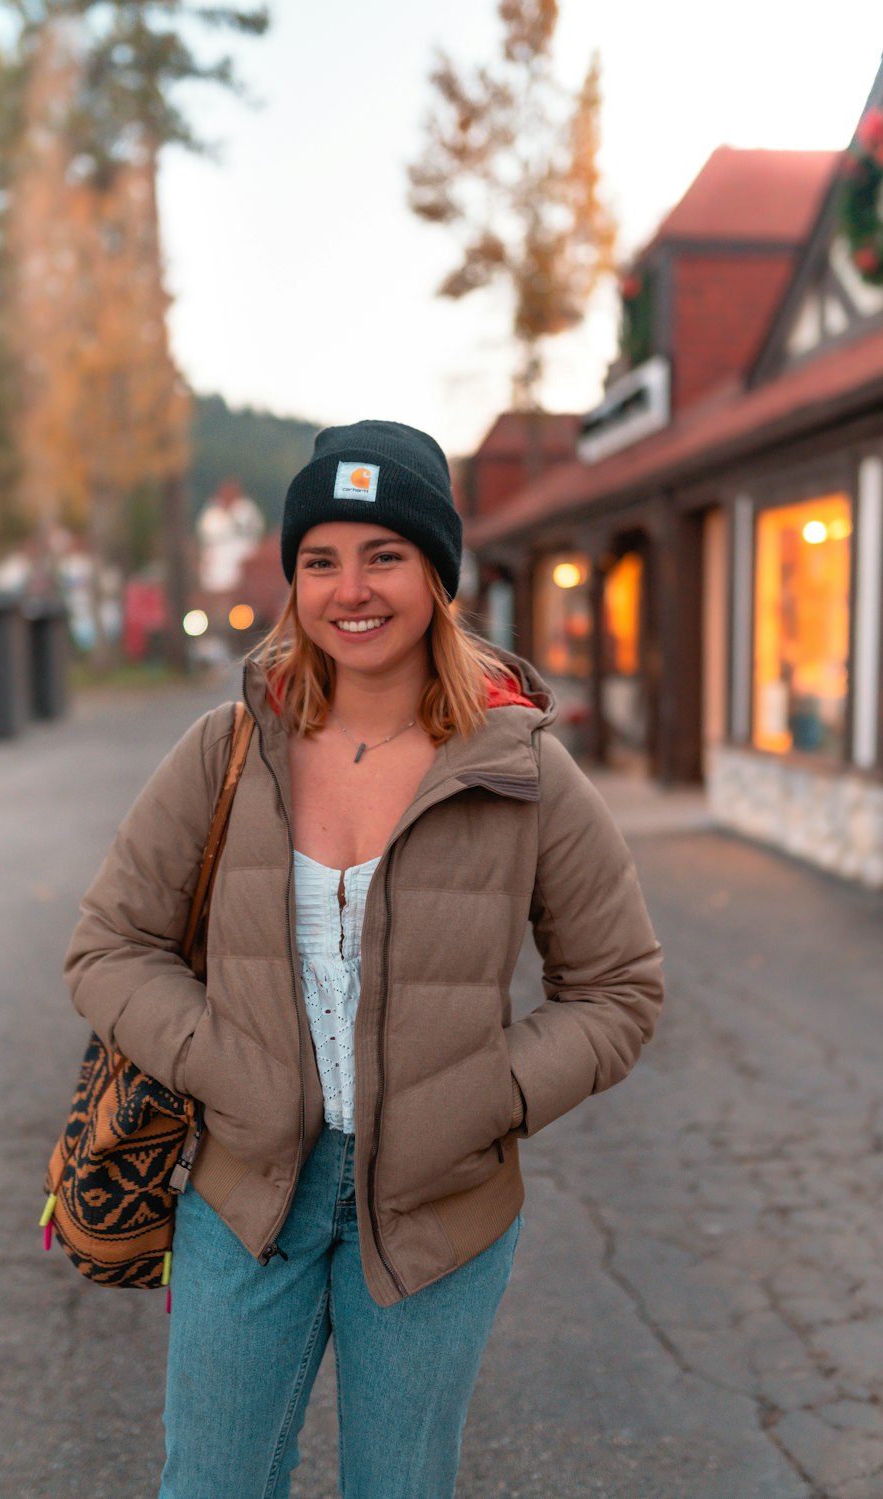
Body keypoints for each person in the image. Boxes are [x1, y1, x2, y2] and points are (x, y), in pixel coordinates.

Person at [63, 419, 664, 1499]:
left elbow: (618, 988)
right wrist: (227, 1064)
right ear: (292, 579)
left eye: (384, 552)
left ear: (437, 571)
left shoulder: (522, 767)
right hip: (244, 1198)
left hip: (440, 1205)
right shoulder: (227, 746)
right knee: (211, 1482)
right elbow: (109, 945)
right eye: (320, 558)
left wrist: (483, 1094)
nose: (352, 588)